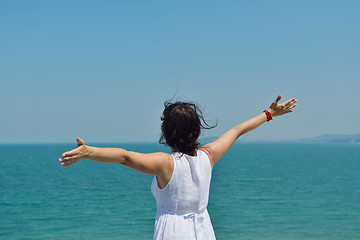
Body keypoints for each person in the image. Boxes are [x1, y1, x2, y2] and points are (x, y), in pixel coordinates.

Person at [59, 95, 297, 239]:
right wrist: (268, 113)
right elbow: (236, 131)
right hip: (203, 231)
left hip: (173, 234)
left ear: (166, 132)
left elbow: (125, 157)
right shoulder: (208, 156)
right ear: (196, 131)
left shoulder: (166, 164)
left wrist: (89, 152)